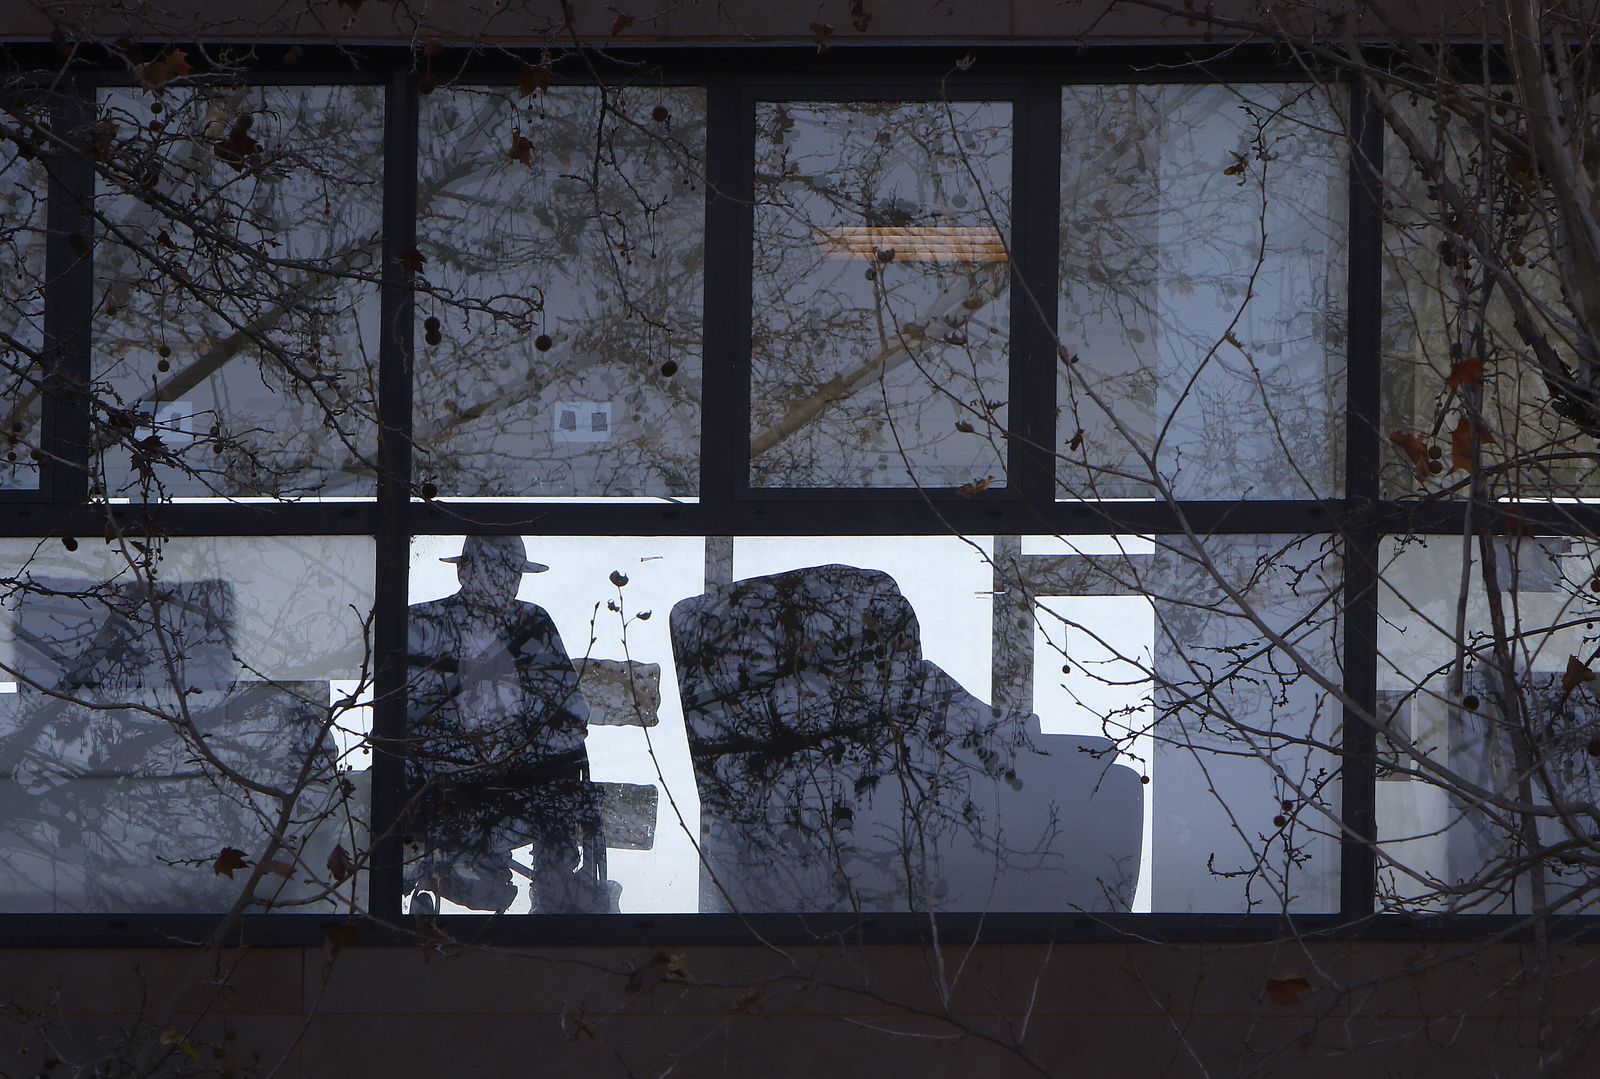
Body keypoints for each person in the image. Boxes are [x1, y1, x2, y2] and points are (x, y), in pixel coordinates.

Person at [404, 535, 604, 913]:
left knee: (558, 798)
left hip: (525, 778)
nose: (506, 582)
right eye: (496, 571)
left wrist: (520, 749)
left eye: (512, 573)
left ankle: (553, 904)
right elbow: (405, 716)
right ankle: (466, 872)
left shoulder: (533, 624)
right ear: (465, 571)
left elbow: (570, 710)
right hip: (445, 781)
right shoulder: (422, 624)